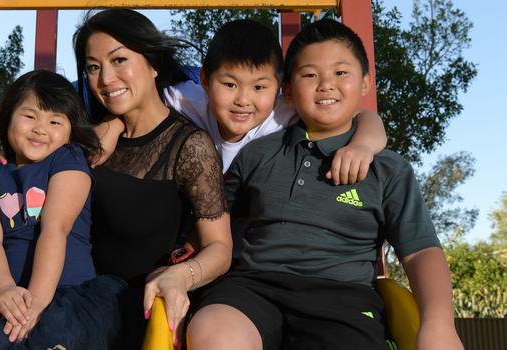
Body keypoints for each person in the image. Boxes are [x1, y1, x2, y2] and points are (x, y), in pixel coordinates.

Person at [186, 19, 463, 350]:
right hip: (253, 287)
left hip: (341, 297)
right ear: (286, 89)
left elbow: (421, 251)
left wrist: (439, 325)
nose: (326, 85)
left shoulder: (388, 168)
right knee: (212, 333)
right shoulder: (257, 153)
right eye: (310, 75)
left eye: (341, 73)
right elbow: (213, 222)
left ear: (365, 83)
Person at [73, 9, 232, 349]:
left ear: (154, 63)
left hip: (134, 310)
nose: (105, 79)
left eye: (119, 60)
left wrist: (181, 276)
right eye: (93, 67)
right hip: (69, 296)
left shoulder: (189, 146)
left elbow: (220, 248)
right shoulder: (86, 137)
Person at [0, 70, 126, 350]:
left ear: (69, 132)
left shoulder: (68, 158)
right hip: (4, 289)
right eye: (29, 116)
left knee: (59, 334)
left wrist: (39, 301)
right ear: (8, 118)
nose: (40, 128)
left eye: (55, 121)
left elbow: (56, 228)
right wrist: (4, 289)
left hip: (70, 290)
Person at [98, 19, 387, 185]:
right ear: (206, 80)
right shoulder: (187, 99)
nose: (243, 100)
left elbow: (364, 116)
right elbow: (139, 103)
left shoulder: (283, 110)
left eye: (260, 87)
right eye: (230, 84)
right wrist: (112, 125)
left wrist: (362, 145)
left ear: (280, 88)